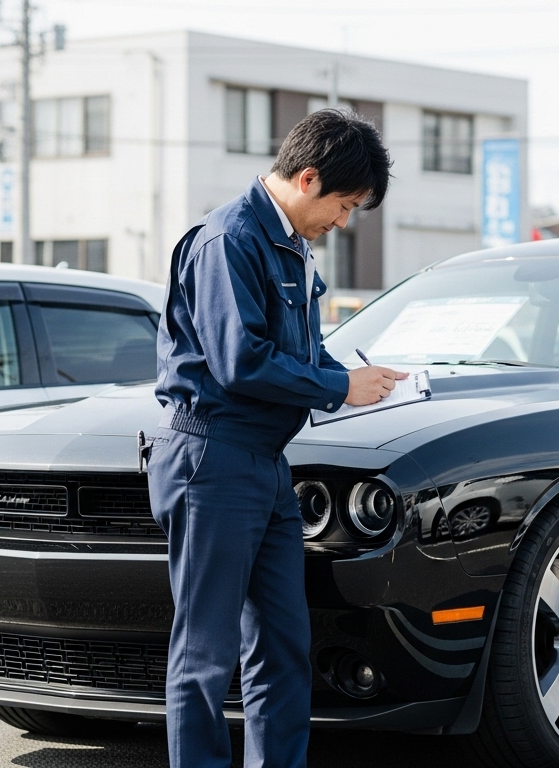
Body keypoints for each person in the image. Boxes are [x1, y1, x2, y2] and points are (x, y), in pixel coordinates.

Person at [148, 109, 401, 768]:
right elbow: (241, 361)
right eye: (344, 205)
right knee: (204, 656)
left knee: (283, 646)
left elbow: (303, 357)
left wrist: (355, 382)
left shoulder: (292, 247)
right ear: (309, 177)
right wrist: (340, 387)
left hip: (264, 464)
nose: (343, 222)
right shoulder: (227, 239)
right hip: (211, 459)